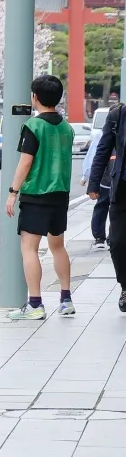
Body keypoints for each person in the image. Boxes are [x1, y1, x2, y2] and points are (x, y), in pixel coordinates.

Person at [9, 74, 75, 320]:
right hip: (60, 194)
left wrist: (13, 192)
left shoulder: (33, 126)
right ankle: (66, 300)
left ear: (35, 97)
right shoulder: (66, 127)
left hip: (36, 194)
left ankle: (35, 304)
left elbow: (25, 163)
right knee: (58, 246)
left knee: (29, 249)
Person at [88, 99, 126, 312]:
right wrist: (94, 182)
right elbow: (102, 150)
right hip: (122, 189)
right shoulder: (118, 116)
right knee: (118, 242)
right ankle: (125, 286)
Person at [81, 123, 113, 250]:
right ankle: (101, 237)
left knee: (105, 207)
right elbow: (95, 157)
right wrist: (87, 178)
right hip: (106, 179)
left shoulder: (103, 133)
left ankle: (106, 237)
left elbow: (94, 157)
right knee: (104, 205)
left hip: (110, 178)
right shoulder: (102, 134)